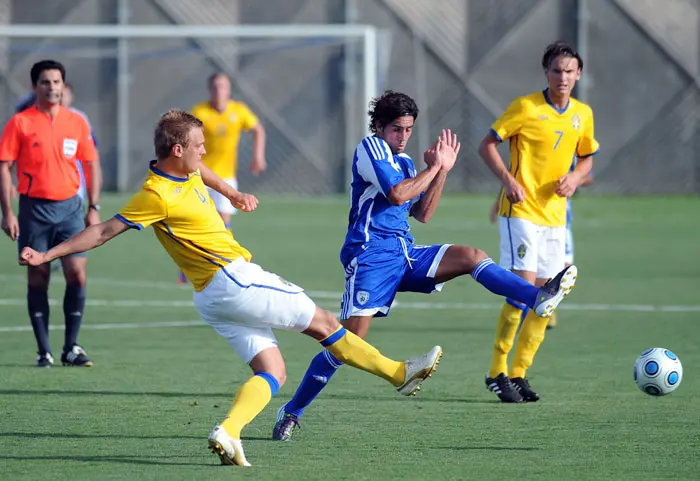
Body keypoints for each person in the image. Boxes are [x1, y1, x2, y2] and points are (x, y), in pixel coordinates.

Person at [18, 109, 444, 467]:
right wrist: (47, 255)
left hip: (211, 299)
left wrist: (233, 193)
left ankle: (230, 431)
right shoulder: (156, 194)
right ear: (177, 149)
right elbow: (103, 231)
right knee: (325, 322)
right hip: (233, 278)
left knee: (273, 371)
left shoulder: (182, 168)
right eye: (198, 144)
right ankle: (398, 374)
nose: (206, 151)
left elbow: (202, 171)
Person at [272, 90, 578, 441]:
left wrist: (442, 171)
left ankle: (537, 296)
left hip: (405, 253)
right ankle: (291, 411)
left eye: (408, 130)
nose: (403, 137)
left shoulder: (404, 163)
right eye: (397, 129)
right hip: (370, 255)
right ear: (380, 126)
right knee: (348, 341)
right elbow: (398, 195)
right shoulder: (370, 148)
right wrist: (435, 166)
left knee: (471, 256)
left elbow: (423, 214)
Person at [478, 41, 598, 403]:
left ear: (578, 75)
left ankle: (519, 372)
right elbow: (486, 145)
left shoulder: (582, 113)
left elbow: (587, 159)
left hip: (555, 217)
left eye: (569, 71)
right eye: (557, 70)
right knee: (523, 290)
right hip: (521, 211)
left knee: (548, 297)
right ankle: (497, 371)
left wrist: (575, 179)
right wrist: (508, 181)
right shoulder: (525, 107)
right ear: (546, 72)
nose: (563, 77)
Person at [0, 59, 101, 368]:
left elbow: (91, 163)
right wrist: (8, 212)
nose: (52, 87)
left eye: (57, 82)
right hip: (34, 210)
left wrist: (93, 207)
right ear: (35, 87)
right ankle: (43, 350)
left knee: (77, 273)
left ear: (63, 86)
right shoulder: (20, 123)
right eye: (45, 82)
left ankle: (71, 347)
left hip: (71, 208)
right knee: (38, 276)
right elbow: (4, 166)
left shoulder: (77, 122)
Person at [180, 73, 266, 285]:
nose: (220, 90)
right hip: (199, 175)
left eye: (224, 86)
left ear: (229, 90)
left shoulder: (238, 111)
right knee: (194, 221)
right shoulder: (200, 112)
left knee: (223, 222)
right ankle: (188, 266)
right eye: (216, 86)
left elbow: (258, 129)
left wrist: (258, 156)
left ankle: (223, 265)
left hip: (226, 178)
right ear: (210, 89)